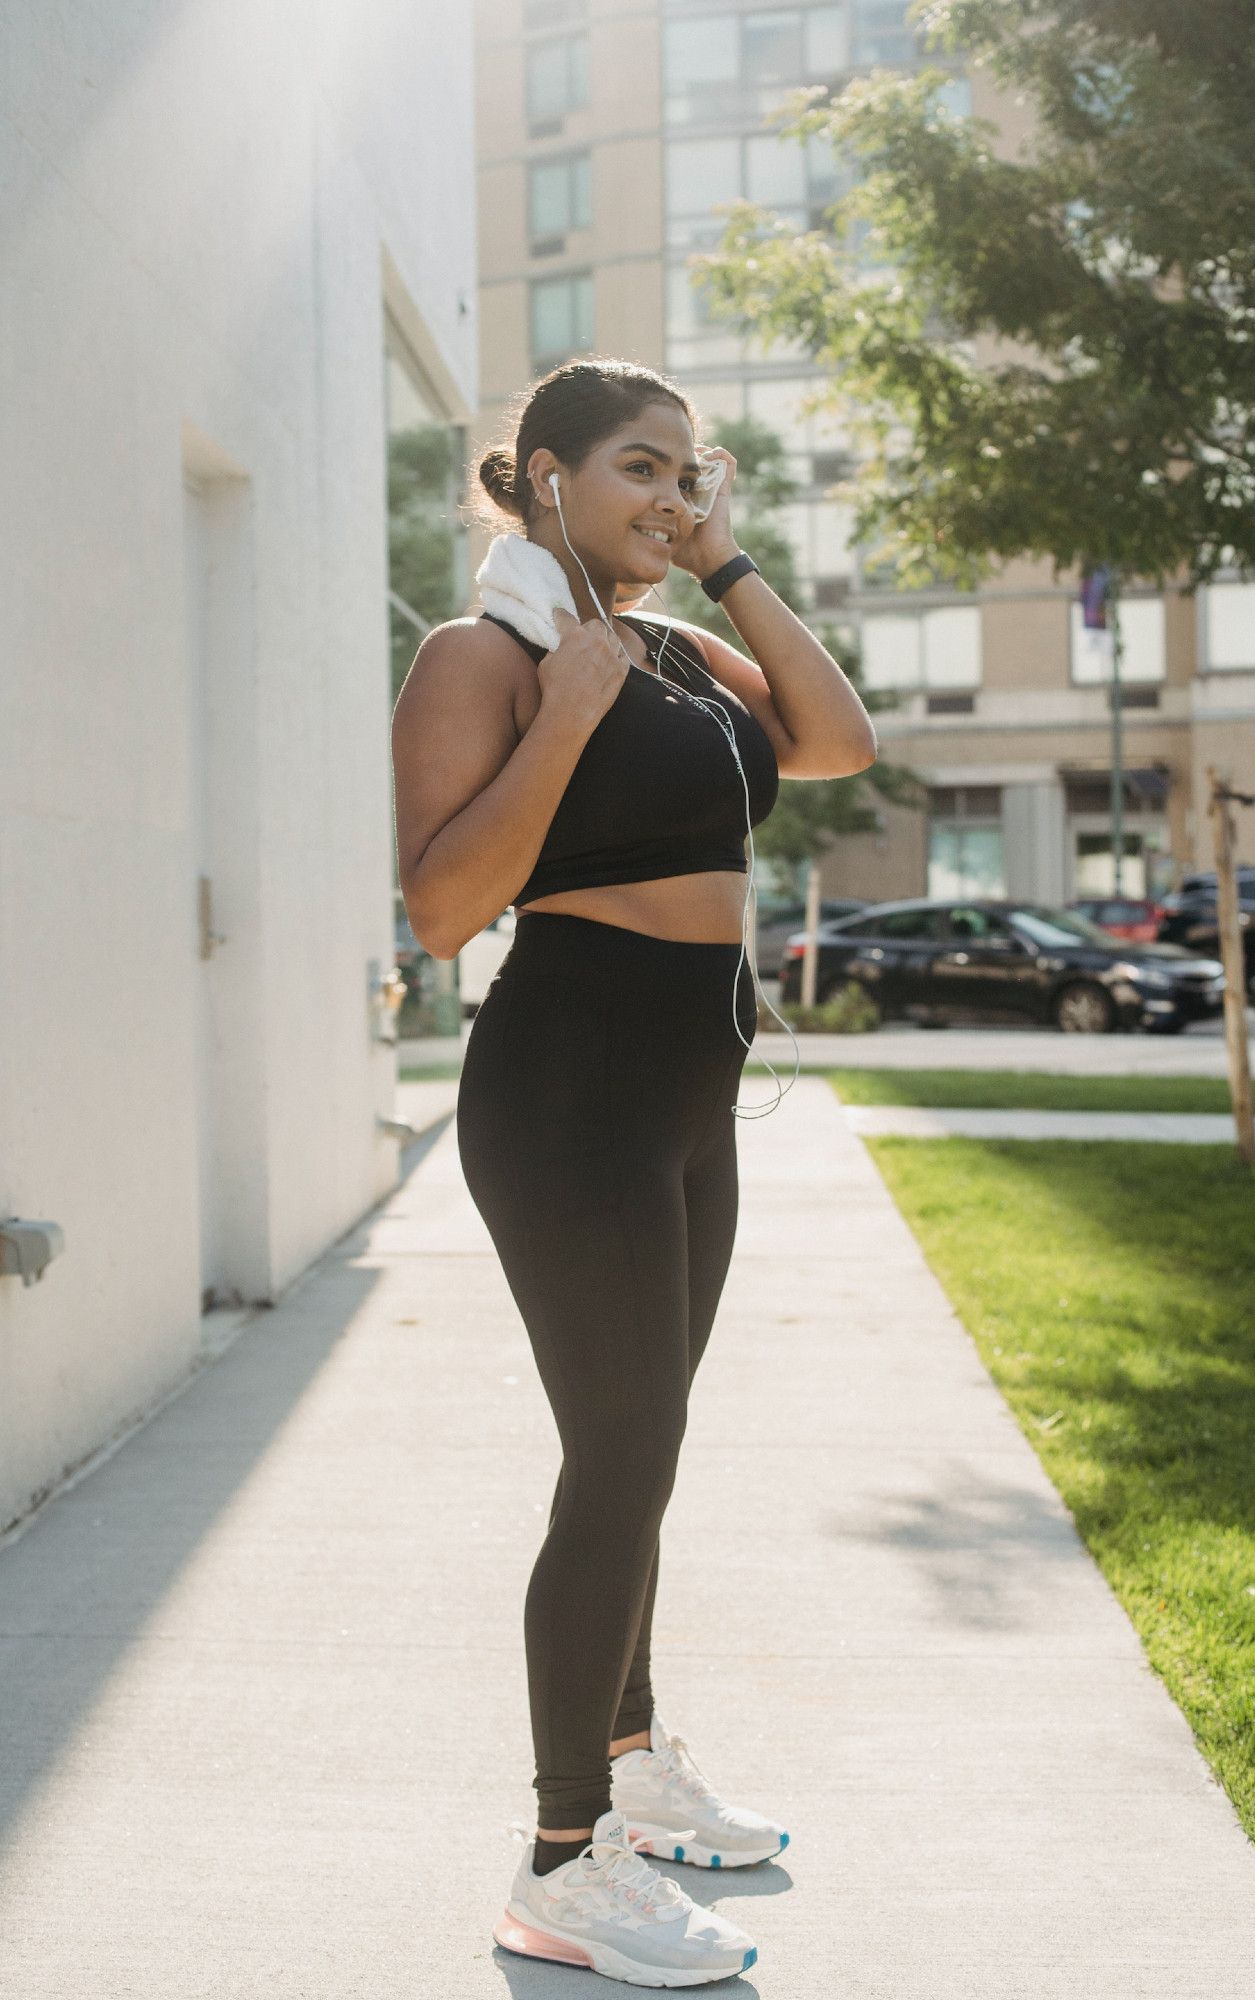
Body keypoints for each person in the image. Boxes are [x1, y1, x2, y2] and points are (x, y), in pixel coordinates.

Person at [391, 358, 877, 1986]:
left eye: (692, 468)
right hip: (567, 1089)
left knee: (646, 1448)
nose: (670, 494)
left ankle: (637, 1761)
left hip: (687, 1094)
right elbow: (442, 907)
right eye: (636, 470)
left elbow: (831, 742)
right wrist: (568, 716)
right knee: (619, 1453)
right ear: (542, 481)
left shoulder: (672, 644)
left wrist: (721, 557)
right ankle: (556, 1860)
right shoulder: (487, 653)